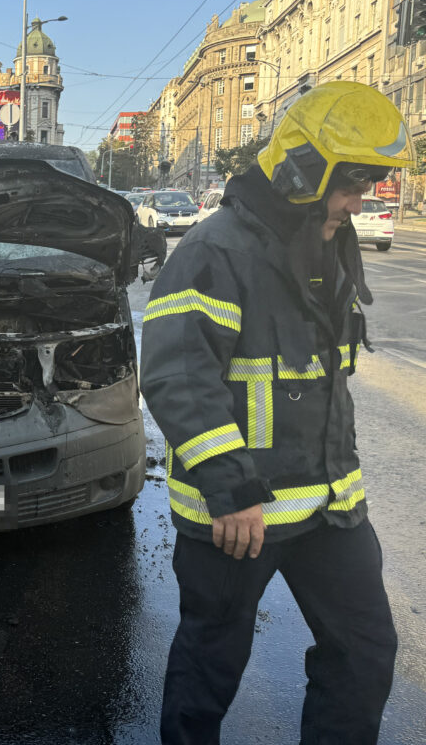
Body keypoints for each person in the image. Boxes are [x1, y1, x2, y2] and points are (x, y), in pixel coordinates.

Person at [140, 81, 412, 744]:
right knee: (211, 663)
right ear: (300, 170)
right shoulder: (217, 250)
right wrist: (231, 490)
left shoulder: (328, 240)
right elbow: (178, 372)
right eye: (350, 184)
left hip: (329, 508)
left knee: (366, 649)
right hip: (239, 514)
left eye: (367, 185)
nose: (358, 202)